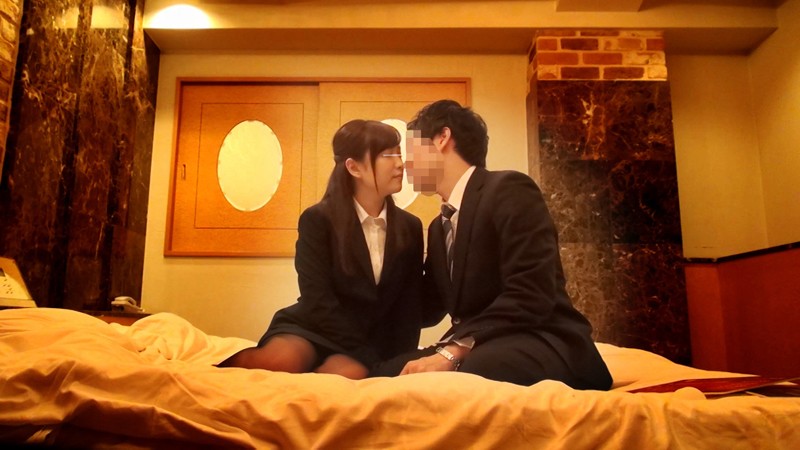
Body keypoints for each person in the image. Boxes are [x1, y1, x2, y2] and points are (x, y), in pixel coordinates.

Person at [370, 100, 613, 389]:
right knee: (385, 372)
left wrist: (454, 352)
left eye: (410, 150)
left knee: (476, 369)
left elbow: (532, 291)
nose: (404, 164)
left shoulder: (509, 189)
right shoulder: (438, 228)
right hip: (482, 345)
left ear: (442, 138)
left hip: (541, 337)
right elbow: (428, 307)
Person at [219, 119, 424, 379]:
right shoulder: (318, 219)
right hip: (316, 326)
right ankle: (208, 376)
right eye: (388, 156)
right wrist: (364, 351)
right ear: (353, 167)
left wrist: (395, 362)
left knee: (344, 376)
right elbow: (317, 298)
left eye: (399, 154)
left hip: (368, 340)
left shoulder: (410, 227)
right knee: (281, 360)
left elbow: (409, 305)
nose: (400, 164)